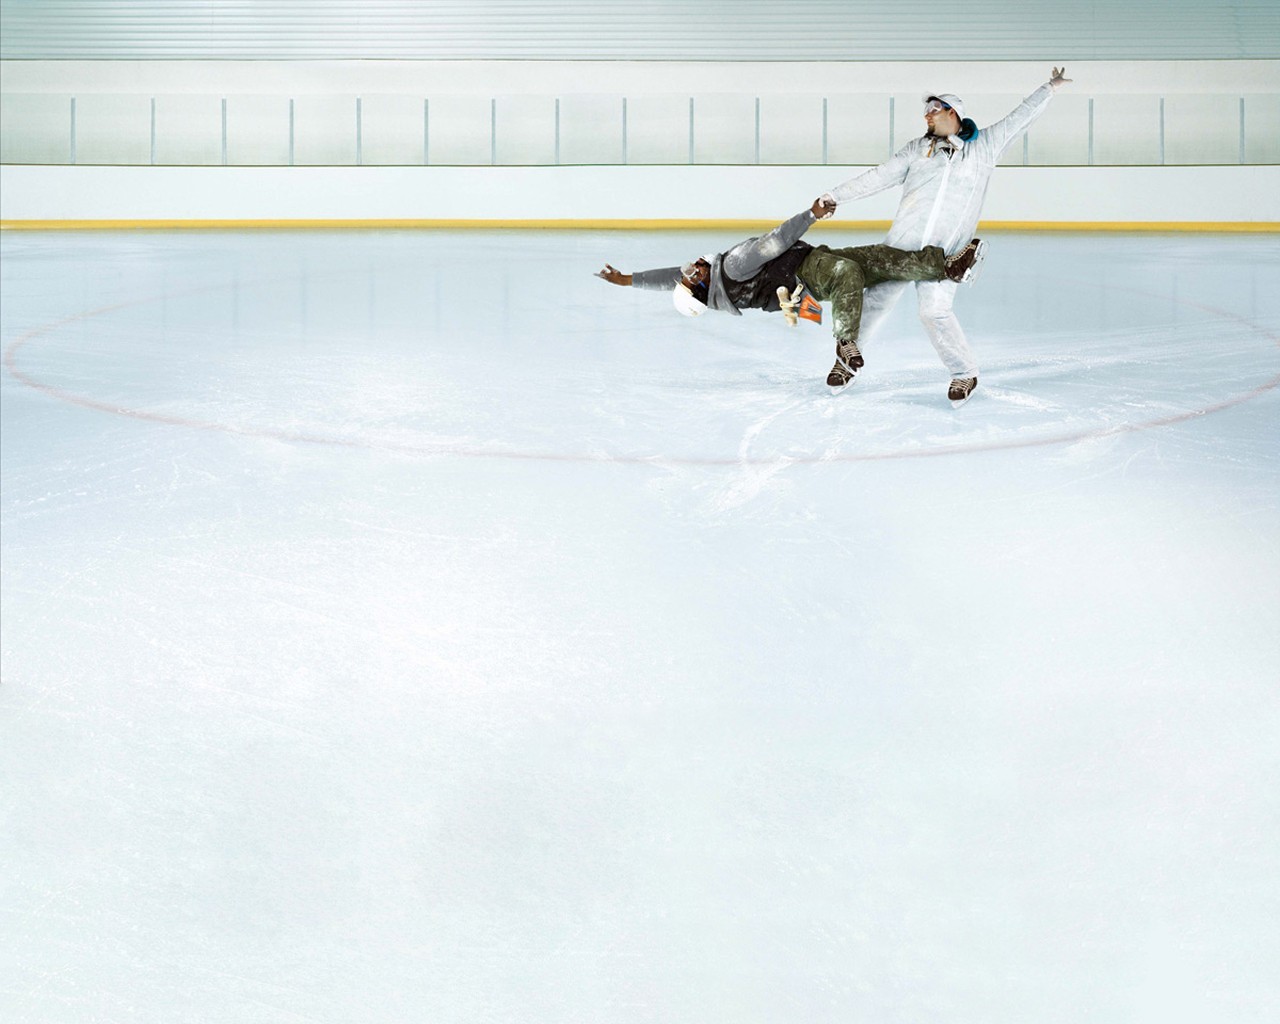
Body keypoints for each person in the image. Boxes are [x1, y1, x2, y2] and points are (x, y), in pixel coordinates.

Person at [820, 67, 1074, 404]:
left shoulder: (985, 147)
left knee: (934, 312)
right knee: (876, 300)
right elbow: (878, 176)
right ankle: (845, 365)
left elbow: (1020, 118)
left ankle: (964, 373)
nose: (926, 115)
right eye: (925, 110)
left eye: (933, 108)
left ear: (953, 112)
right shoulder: (916, 150)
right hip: (901, 248)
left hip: (944, 254)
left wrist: (1050, 88)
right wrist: (834, 196)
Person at [595, 197, 987, 385]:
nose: (689, 268)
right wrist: (811, 214)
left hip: (805, 278)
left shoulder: (715, 292)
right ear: (702, 289)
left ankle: (947, 267)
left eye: (686, 273)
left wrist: (628, 279)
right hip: (805, 269)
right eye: (691, 276)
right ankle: (845, 345)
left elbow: (672, 279)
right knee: (848, 274)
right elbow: (776, 241)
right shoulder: (731, 266)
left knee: (879, 259)